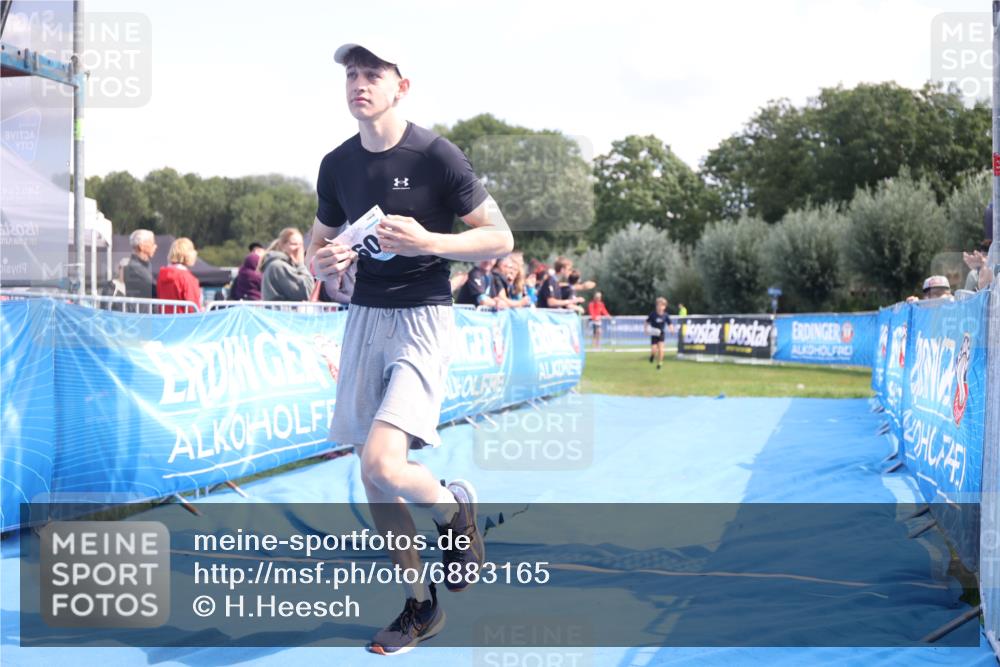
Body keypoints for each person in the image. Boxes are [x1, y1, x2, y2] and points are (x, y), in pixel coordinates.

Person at [304, 42, 513, 656]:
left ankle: (454, 511)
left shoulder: (436, 155)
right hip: (364, 320)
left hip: (422, 319)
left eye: (373, 73)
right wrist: (323, 262)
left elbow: (499, 238)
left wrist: (430, 241)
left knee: (381, 464)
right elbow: (317, 249)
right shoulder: (336, 164)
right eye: (352, 73)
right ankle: (421, 605)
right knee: (374, 477)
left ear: (402, 86)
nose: (359, 83)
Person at [260, 228, 315, 301]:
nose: (299, 249)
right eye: (294, 244)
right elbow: (308, 292)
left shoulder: (284, 265)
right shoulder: (278, 266)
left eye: (301, 245)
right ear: (282, 245)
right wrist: (300, 264)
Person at [156, 237, 202, 313]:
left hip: (165, 318)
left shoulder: (161, 275)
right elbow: (193, 307)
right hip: (183, 318)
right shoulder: (187, 278)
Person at [123, 229, 157, 301]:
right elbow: (155, 288)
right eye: (152, 243)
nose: (155, 246)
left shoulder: (142, 265)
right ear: (141, 246)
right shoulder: (135, 267)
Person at [645, 296, 672, 370]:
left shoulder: (665, 315)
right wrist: (646, 330)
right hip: (654, 333)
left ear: (664, 307)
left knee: (661, 349)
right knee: (654, 349)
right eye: (658, 305)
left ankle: (660, 363)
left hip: (661, 334)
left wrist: (671, 330)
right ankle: (652, 356)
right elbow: (647, 322)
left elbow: (669, 323)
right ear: (656, 306)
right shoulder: (653, 314)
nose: (660, 307)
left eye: (661, 305)